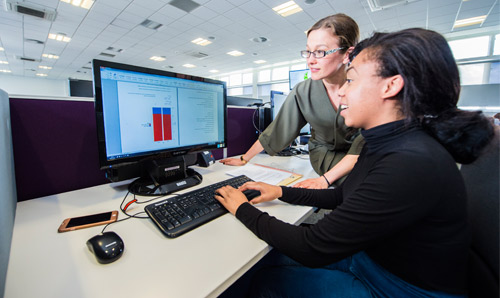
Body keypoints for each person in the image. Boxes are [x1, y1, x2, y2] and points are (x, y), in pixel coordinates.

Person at [215, 28, 495, 297]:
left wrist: (242, 210)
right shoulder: (389, 141)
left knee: (262, 281)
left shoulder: (411, 161)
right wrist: (281, 192)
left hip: (399, 288)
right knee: (267, 260)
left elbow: (312, 247)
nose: (342, 93)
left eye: (351, 80)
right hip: (375, 261)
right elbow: (342, 194)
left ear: (391, 85)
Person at [219, 13, 365, 189]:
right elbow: (278, 130)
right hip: (325, 154)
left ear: (347, 55)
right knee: (360, 184)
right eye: (309, 51)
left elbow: (366, 140)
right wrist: (243, 159)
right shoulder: (303, 91)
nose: (311, 60)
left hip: (362, 153)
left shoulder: (365, 87)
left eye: (320, 52)